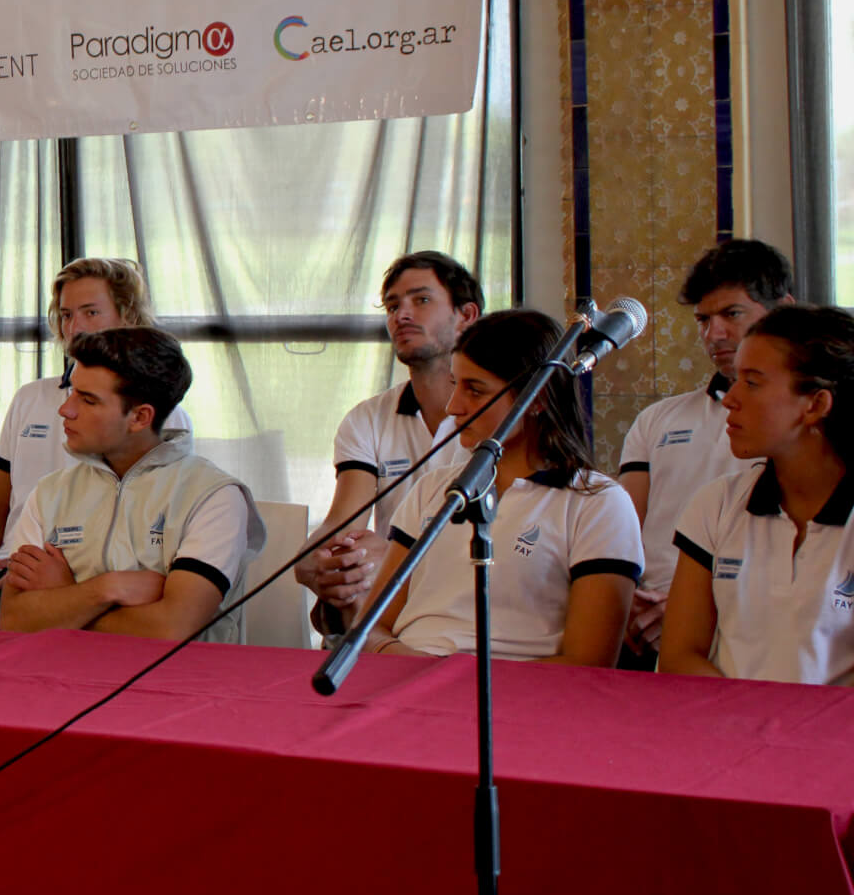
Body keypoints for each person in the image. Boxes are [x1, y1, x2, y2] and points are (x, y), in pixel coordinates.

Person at [358, 310, 642, 664]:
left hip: (521, 692)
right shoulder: (433, 490)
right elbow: (369, 628)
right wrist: (409, 662)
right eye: (454, 384)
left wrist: (455, 678)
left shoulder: (597, 504)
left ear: (537, 399)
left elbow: (588, 663)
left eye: (475, 390)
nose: (453, 407)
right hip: (409, 676)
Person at [0, 258, 192, 627]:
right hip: (8, 576)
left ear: (128, 317)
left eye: (91, 312)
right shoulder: (30, 398)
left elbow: (154, 531)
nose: (75, 328)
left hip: (89, 587)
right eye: (66, 315)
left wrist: (72, 585)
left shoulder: (160, 417)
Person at [0, 328, 261, 641]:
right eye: (72, 392)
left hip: (177, 674)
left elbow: (171, 629)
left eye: (88, 400)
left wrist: (64, 599)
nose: (65, 410)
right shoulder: (50, 492)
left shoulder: (213, 497)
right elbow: (13, 620)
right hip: (58, 670)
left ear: (140, 418)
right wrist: (105, 589)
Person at [617, 240, 793, 667]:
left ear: (783, 311)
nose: (714, 334)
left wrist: (685, 611)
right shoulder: (657, 419)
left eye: (732, 314)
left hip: (747, 623)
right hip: (643, 624)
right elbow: (621, 529)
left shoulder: (794, 428)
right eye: (703, 319)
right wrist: (624, 598)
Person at [661, 304, 854, 686]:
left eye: (751, 383)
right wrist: (750, 718)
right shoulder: (717, 504)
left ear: (816, 405)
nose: (730, 399)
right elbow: (679, 656)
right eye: (735, 379)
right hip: (728, 719)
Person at [298, 251, 483, 627]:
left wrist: (397, 555)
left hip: (472, 593)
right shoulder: (367, 418)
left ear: (466, 316)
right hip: (388, 591)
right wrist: (316, 561)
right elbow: (344, 523)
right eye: (393, 306)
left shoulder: (497, 414)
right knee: (351, 573)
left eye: (421, 300)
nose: (402, 316)